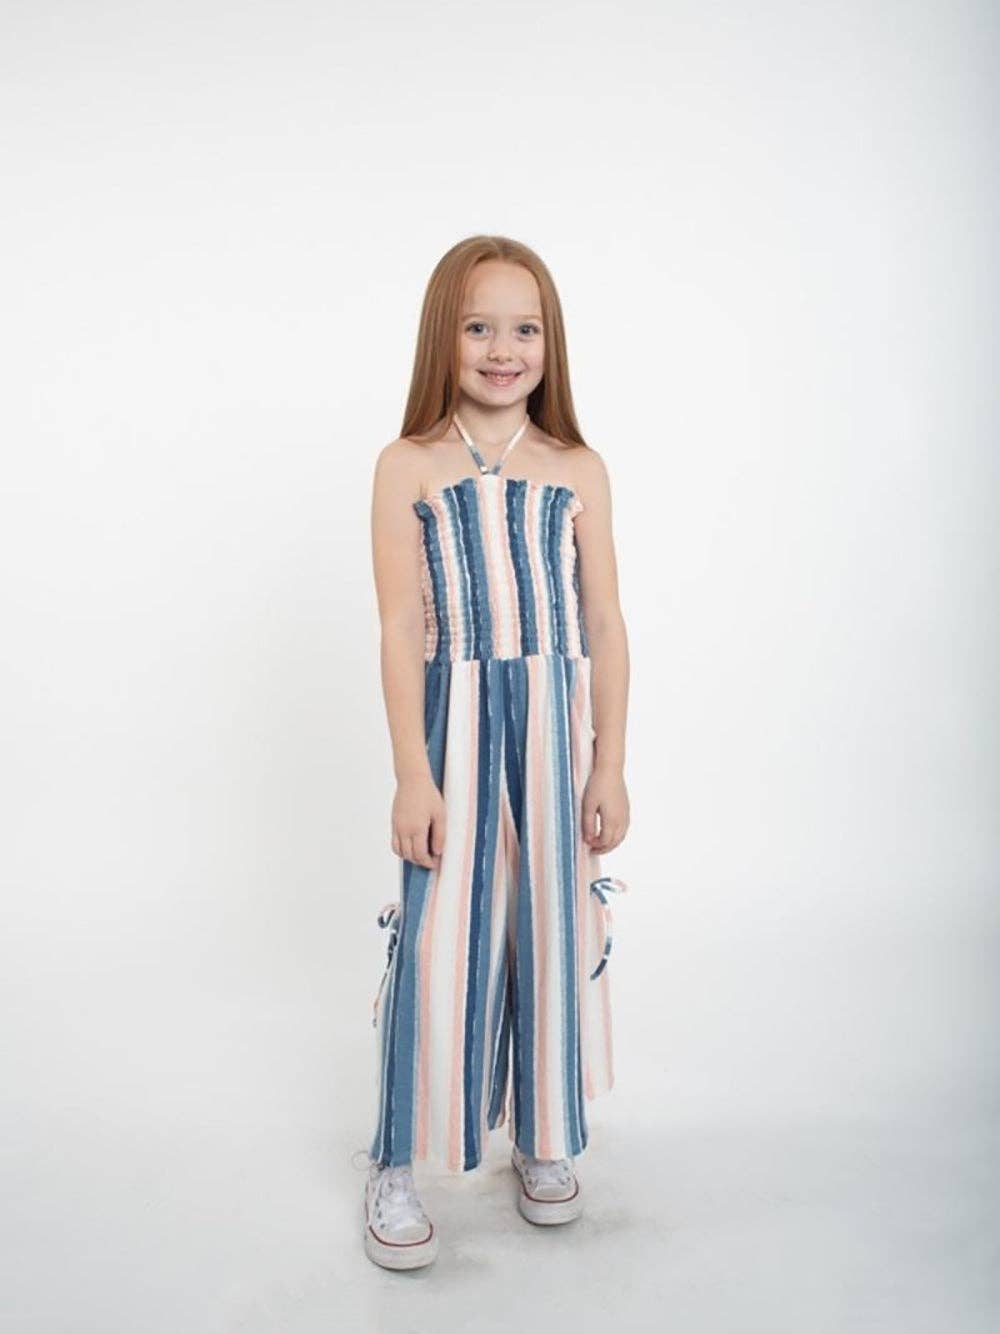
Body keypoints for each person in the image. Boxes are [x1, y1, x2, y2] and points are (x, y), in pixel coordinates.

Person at [353, 235, 632, 1271]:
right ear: (444, 336)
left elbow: (603, 621)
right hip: (455, 729)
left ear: (550, 345)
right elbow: (397, 627)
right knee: (439, 939)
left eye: (525, 329)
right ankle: (394, 1156)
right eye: (478, 327)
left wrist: (608, 761)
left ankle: (544, 1135)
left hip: (553, 735)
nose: (502, 349)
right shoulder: (408, 464)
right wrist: (411, 773)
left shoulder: (576, 468)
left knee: (548, 929)